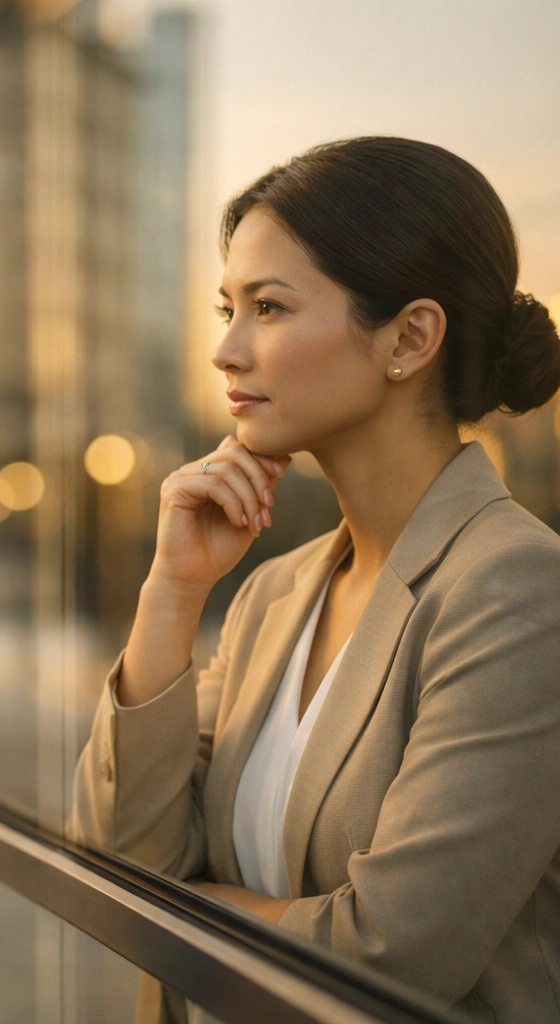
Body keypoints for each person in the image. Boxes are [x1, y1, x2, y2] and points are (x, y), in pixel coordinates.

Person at [72, 137, 560, 1022]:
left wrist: (183, 909)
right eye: (227, 307)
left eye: (267, 307)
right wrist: (173, 593)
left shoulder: (516, 592)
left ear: (409, 338)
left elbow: (391, 957)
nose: (224, 350)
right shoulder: (276, 593)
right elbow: (116, 857)